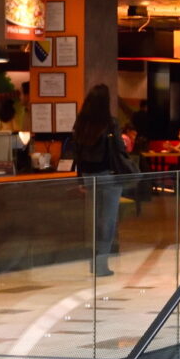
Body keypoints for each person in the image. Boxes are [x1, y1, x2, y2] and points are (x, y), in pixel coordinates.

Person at [70, 85, 136, 276]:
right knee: (107, 220)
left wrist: (80, 180)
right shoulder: (110, 123)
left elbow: (77, 154)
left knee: (94, 220)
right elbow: (119, 148)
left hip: (89, 177)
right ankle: (101, 264)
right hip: (109, 175)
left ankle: (94, 262)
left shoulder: (81, 124)